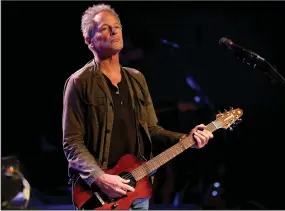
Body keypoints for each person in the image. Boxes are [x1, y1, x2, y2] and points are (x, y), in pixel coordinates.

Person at [62, 3, 214, 210]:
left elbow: (152, 130)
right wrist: (100, 178)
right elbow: (72, 143)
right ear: (89, 40)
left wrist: (187, 138)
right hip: (99, 193)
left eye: (117, 26)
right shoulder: (79, 81)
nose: (115, 30)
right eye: (105, 28)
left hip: (139, 187)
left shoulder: (137, 79)